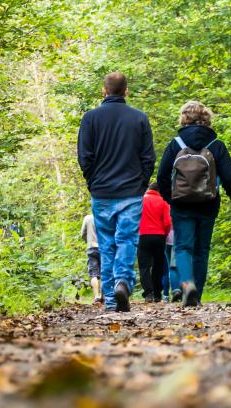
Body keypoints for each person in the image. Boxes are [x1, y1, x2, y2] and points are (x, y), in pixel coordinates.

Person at [77, 72, 156, 312]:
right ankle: (123, 281)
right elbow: (148, 158)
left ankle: (111, 299)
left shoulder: (90, 119)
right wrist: (141, 184)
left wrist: (93, 181)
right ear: (126, 91)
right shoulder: (139, 119)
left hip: (102, 192)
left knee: (107, 244)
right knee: (127, 240)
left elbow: (84, 157)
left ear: (104, 90)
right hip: (131, 192)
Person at [157, 101, 231, 307]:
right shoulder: (216, 145)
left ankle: (187, 284)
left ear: (184, 118)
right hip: (208, 203)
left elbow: (161, 176)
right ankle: (198, 295)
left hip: (181, 205)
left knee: (183, 247)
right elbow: (230, 177)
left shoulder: (175, 144)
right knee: (202, 250)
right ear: (206, 118)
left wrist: (171, 198)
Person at [137, 182, 172, 303]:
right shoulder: (163, 201)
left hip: (143, 236)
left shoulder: (141, 200)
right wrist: (165, 233)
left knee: (144, 266)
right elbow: (167, 222)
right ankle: (157, 293)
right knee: (158, 265)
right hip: (159, 236)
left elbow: (135, 217)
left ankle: (148, 293)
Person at [80, 212, 103, 303]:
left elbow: (82, 233)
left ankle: (96, 296)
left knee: (94, 274)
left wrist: (88, 241)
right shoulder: (103, 217)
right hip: (104, 247)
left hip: (91, 247)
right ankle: (105, 296)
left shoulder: (88, 218)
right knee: (105, 273)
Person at [164, 228, 181, 301]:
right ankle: (181, 291)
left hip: (168, 239)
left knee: (171, 267)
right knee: (180, 266)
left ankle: (175, 290)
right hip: (179, 238)